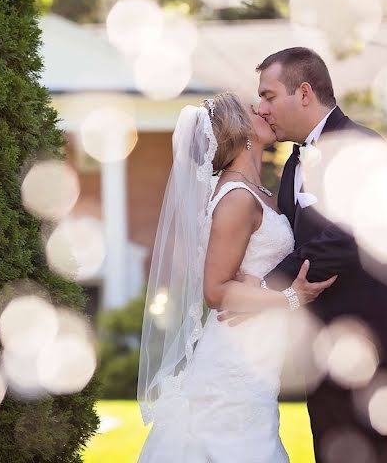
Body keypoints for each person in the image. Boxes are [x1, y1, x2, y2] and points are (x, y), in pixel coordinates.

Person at [220, 47, 387, 463]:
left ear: (303, 93)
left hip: (380, 348)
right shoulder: (291, 166)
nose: (262, 109)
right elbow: (299, 243)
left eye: (268, 96)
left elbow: (343, 240)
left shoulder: (361, 147)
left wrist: (265, 285)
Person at [137, 91, 335, 463]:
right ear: (240, 129)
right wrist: (290, 298)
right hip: (234, 356)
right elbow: (215, 290)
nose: (263, 110)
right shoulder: (237, 198)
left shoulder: (258, 193)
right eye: (253, 108)